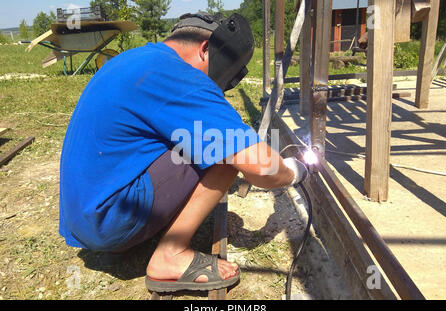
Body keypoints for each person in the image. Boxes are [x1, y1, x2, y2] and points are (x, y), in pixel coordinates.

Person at [59, 12, 308, 293]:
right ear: (205, 50)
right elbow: (261, 167)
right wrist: (295, 171)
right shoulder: (179, 75)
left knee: (204, 140)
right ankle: (171, 255)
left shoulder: (136, 59)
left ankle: (128, 237)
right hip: (107, 221)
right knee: (226, 151)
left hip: (83, 216)